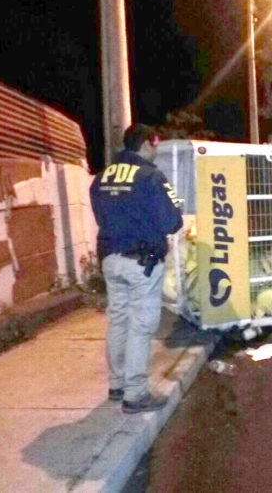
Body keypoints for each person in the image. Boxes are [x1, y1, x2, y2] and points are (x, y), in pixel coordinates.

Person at [90, 124, 183, 414]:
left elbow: (100, 215)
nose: (156, 150)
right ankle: (135, 395)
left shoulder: (102, 177)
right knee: (141, 328)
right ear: (146, 143)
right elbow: (171, 222)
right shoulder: (149, 176)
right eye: (155, 144)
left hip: (111, 260)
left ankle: (117, 385)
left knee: (118, 321)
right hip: (141, 263)